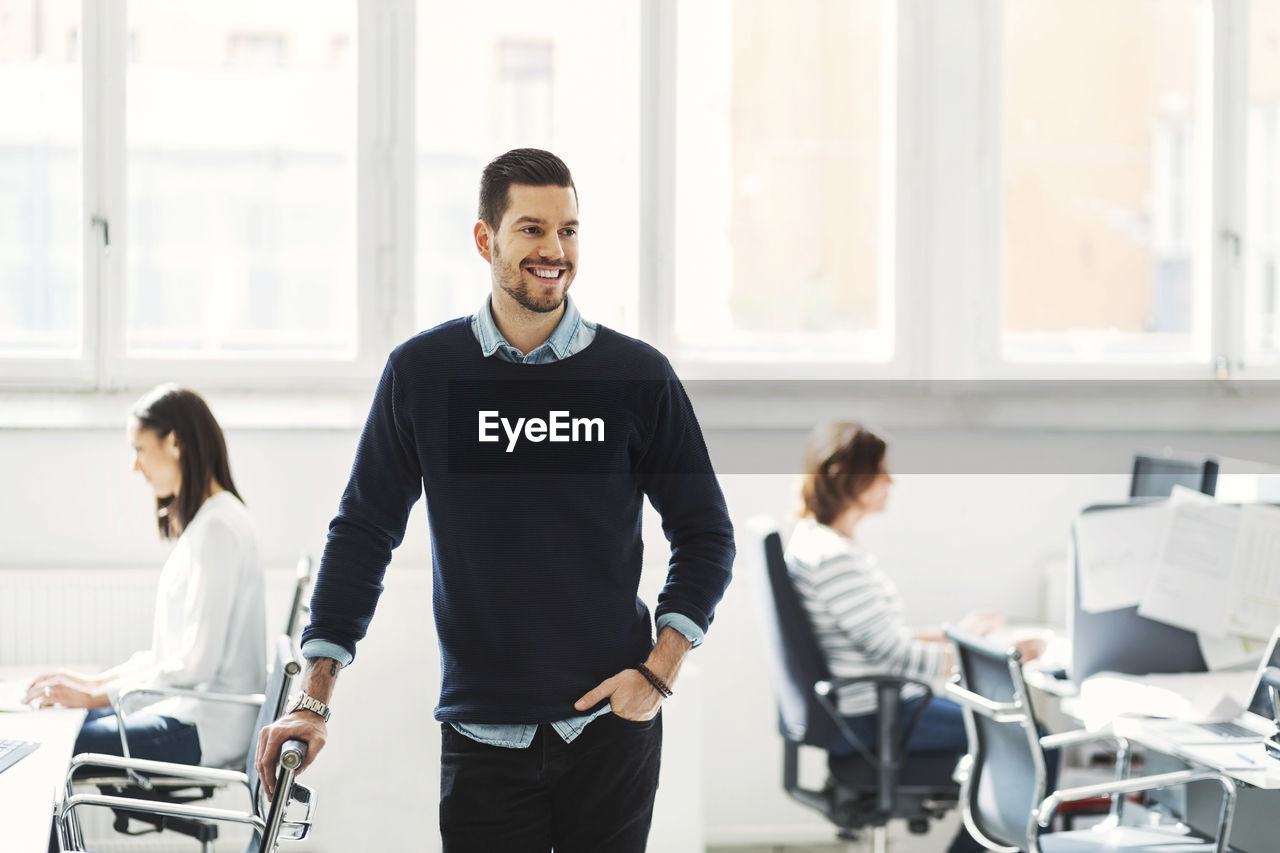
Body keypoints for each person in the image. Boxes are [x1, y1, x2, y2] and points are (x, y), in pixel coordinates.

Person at [256, 148, 735, 852]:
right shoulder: (423, 374)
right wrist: (313, 697)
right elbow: (364, 530)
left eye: (569, 231)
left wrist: (657, 672)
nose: (555, 250)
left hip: (610, 731)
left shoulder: (637, 377)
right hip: (483, 734)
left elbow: (706, 533)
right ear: (486, 240)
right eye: (532, 229)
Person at [784, 421, 1046, 853]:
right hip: (880, 718)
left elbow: (881, 637)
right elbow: (894, 656)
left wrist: (957, 635)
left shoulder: (819, 544)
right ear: (851, 477)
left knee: (1018, 730)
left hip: (878, 709)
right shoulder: (832, 559)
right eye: (881, 471)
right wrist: (1002, 657)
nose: (891, 481)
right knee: (1030, 745)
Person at [25, 384, 266, 771]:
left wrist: (94, 696)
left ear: (175, 443)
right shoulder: (212, 521)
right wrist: (90, 685)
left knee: (50, 747)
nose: (136, 466)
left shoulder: (219, 528)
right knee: (53, 724)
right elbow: (172, 658)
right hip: (188, 715)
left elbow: (194, 666)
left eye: (140, 449)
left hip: (200, 727)